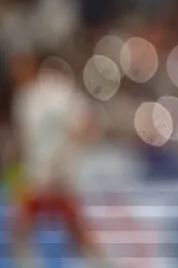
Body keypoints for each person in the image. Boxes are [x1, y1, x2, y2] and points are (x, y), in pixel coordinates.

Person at [8, 53, 111, 268]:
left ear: (32, 65)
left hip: (59, 173)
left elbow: (84, 124)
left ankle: (103, 263)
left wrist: (66, 157)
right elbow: (27, 142)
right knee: (24, 228)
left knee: (69, 228)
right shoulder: (22, 99)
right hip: (39, 174)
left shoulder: (57, 91)